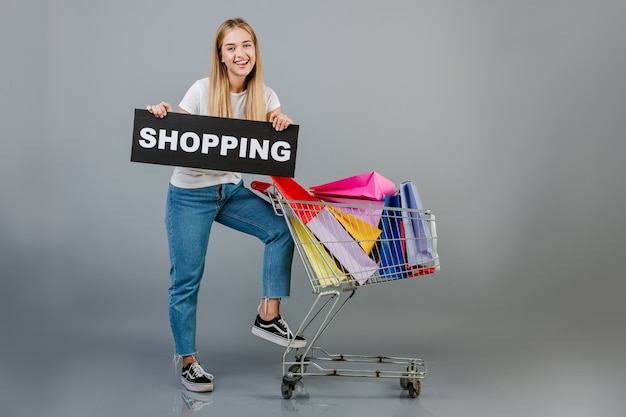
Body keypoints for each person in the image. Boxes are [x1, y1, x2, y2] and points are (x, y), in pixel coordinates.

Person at [147, 18, 305, 393]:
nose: (240, 54)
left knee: (281, 229)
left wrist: (282, 122)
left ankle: (269, 315)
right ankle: (187, 361)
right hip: (190, 194)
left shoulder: (265, 96)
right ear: (220, 56)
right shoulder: (202, 91)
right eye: (231, 47)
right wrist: (161, 117)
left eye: (246, 45)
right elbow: (175, 132)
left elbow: (274, 141)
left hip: (229, 190)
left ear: (255, 51)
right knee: (186, 280)